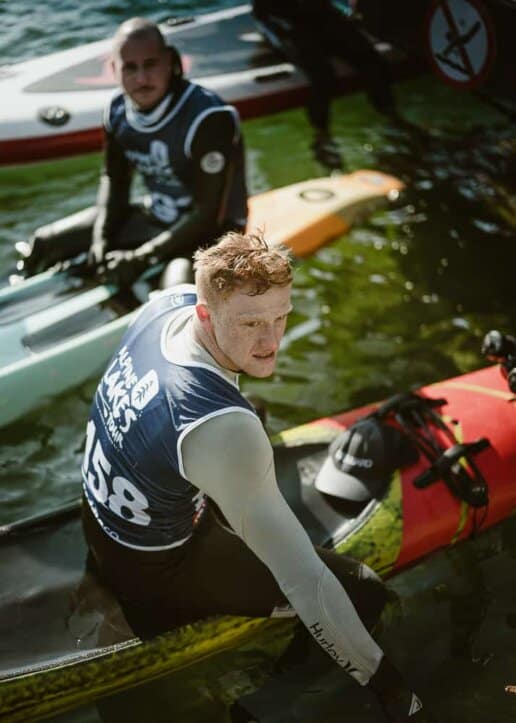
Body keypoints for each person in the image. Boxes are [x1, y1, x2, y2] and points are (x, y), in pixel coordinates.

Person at [81, 230, 434, 722]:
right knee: (364, 591)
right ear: (206, 313)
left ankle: (234, 495)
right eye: (250, 323)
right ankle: (262, 707)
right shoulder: (222, 427)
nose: (271, 342)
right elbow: (305, 584)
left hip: (95, 522)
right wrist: (392, 689)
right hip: (154, 571)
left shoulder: (163, 307)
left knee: (254, 408)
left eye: (281, 317)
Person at [20, 17, 247, 286]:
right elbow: (115, 180)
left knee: (175, 289)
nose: (141, 78)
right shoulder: (117, 111)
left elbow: (208, 215)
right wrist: (101, 239)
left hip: (211, 235)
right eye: (130, 68)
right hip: (157, 215)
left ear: (171, 62)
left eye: (150, 64)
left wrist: (141, 257)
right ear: (114, 70)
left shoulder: (208, 118)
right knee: (44, 242)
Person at [252, 0, 398, 170]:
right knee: (322, 76)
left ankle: (390, 113)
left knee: (372, 61)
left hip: (323, 17)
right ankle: (322, 133)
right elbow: (263, 14)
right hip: (290, 24)